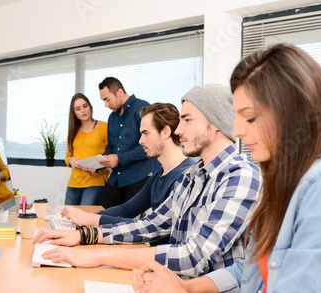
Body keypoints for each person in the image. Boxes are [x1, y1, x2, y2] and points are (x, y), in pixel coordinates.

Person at [130, 43, 321, 293]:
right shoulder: (282, 183)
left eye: (249, 117)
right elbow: (249, 273)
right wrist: (186, 289)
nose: (237, 130)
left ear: (293, 115)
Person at [34, 84, 261, 278]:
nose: (178, 130)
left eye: (187, 120)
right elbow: (151, 225)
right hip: (173, 286)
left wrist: (97, 253)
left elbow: (193, 256)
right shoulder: (193, 176)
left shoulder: (241, 176)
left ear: (216, 122)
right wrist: (84, 235)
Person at [61, 103, 195, 240]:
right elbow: (127, 210)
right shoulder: (158, 176)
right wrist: (86, 217)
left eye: (145, 133)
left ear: (165, 132)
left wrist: (91, 219)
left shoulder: (187, 176)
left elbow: (149, 226)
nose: (141, 141)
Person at [97, 77, 160, 208]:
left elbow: (150, 144)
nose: (106, 105)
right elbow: (111, 147)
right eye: (103, 101)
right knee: (100, 211)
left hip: (140, 174)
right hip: (118, 176)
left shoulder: (142, 108)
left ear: (119, 92)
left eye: (107, 99)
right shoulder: (112, 117)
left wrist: (119, 159)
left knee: (127, 219)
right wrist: (98, 163)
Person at [64, 93, 108, 205]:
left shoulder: (104, 127)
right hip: (74, 182)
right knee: (67, 218)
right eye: (78, 109)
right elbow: (68, 156)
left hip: (95, 181)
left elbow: (110, 153)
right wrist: (71, 161)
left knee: (85, 218)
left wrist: (98, 167)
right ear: (74, 113)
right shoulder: (72, 131)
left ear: (90, 107)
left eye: (85, 106)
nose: (83, 111)